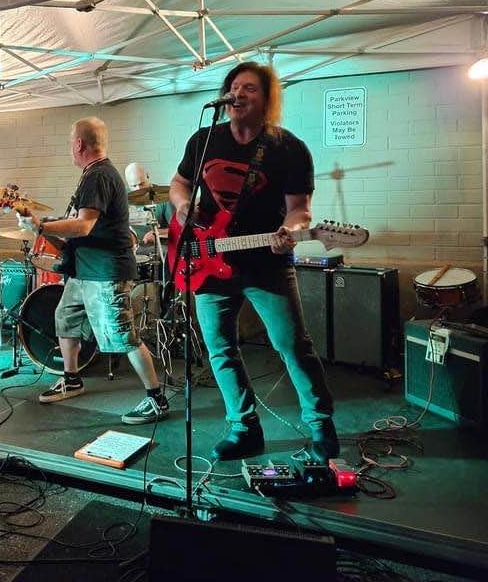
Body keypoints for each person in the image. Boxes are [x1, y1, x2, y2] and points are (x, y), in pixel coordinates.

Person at [168, 61, 338, 462]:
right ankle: (243, 426)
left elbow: (300, 210)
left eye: (250, 88)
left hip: (266, 263)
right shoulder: (203, 140)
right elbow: (180, 183)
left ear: (267, 99)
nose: (238, 94)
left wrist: (290, 231)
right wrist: (180, 208)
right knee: (220, 348)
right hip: (206, 261)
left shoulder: (287, 148)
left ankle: (320, 425)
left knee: (292, 344)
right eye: (233, 87)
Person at [17, 117, 170, 425]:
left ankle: (157, 400)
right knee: (66, 317)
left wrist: (42, 224)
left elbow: (84, 225)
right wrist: (39, 227)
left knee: (123, 335)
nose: (69, 150)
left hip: (105, 272)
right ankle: (72, 378)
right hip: (84, 270)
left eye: (70, 145)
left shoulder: (98, 175)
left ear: (79, 145)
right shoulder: (92, 175)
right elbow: (78, 231)